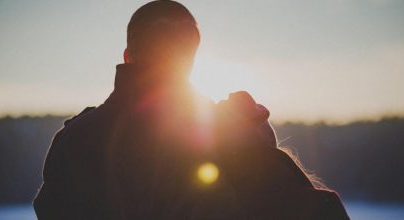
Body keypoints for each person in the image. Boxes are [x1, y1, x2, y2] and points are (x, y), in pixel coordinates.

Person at [34, 1, 349, 219]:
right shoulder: (223, 133)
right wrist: (261, 150)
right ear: (192, 57)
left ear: (128, 55)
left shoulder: (73, 141)